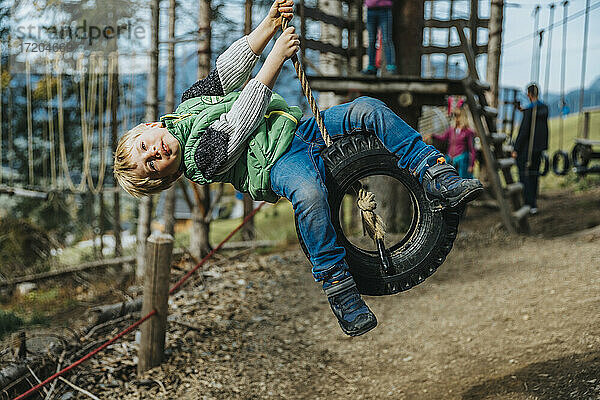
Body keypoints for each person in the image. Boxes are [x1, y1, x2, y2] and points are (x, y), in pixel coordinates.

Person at [113, 0, 483, 337]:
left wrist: (268, 25)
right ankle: (340, 289)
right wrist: (275, 58)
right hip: (278, 163)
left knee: (368, 109)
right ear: (165, 177)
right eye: (152, 165)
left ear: (150, 127)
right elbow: (241, 119)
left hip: (301, 130)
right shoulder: (201, 160)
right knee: (309, 194)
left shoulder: (189, 103)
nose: (155, 153)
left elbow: (227, 72)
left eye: (147, 146)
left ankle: (435, 175)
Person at [512, 83, 549, 215]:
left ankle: (528, 203)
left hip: (527, 150)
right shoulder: (544, 108)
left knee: (525, 175)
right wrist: (524, 110)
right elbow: (534, 112)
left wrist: (516, 149)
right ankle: (534, 204)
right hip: (538, 149)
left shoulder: (530, 112)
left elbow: (524, 132)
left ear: (529, 94)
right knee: (534, 175)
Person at [425, 100, 476, 179]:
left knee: (462, 180)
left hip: (461, 161)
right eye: (454, 115)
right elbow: (443, 137)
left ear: (462, 116)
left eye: (457, 115)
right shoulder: (452, 130)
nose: (455, 117)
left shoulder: (468, 132)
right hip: (450, 159)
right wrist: (433, 135)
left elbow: (472, 149)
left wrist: (471, 165)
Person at [361, 0, 396, 75]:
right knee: (371, 40)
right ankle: (371, 67)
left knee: (386, 39)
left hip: (385, 9)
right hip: (370, 9)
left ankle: (390, 67)